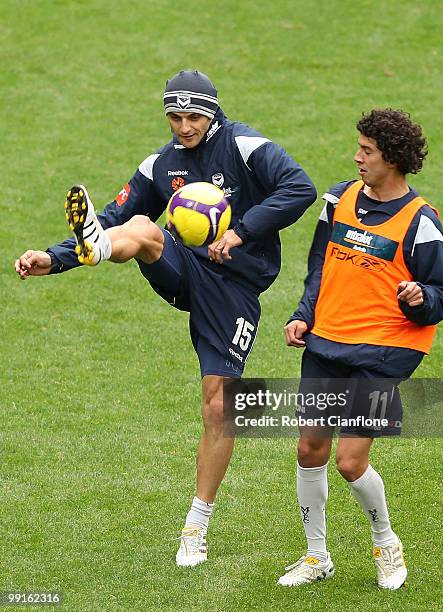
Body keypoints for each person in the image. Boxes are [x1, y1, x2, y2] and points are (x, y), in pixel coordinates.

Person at [15, 70, 316, 568]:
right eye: (174, 117)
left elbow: (299, 188)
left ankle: (196, 525)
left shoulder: (247, 146)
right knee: (137, 228)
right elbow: (114, 212)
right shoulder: (161, 164)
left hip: (234, 288)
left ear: (213, 110)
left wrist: (239, 232)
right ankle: (96, 251)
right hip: (180, 264)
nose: (183, 126)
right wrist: (54, 257)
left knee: (219, 406)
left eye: (193, 116)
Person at [280, 109, 443, 589]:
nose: (357, 157)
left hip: (383, 351)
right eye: (359, 148)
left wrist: (421, 298)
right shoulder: (338, 198)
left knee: (350, 461)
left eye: (368, 151)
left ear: (394, 159)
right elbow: (320, 264)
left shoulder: (419, 221)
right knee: (309, 448)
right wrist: (303, 314)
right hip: (328, 340)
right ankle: (316, 556)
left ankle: (385, 541)